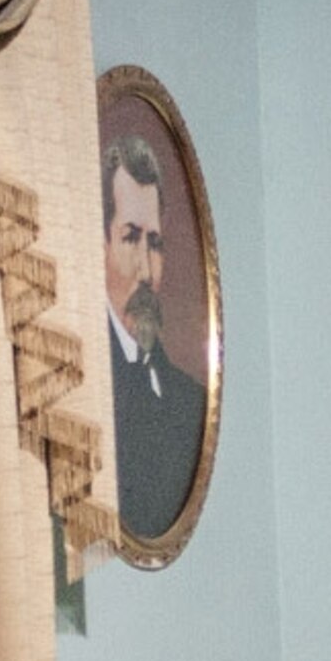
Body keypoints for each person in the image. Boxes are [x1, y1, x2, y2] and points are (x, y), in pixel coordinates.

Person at [103, 133, 207, 538]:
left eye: (156, 243)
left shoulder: (190, 401)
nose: (147, 271)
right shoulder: (79, 400)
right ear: (102, 246)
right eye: (130, 238)